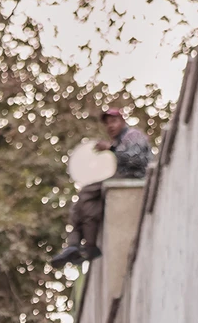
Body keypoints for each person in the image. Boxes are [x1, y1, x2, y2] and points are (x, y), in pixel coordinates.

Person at [52, 108, 154, 267]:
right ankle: (80, 246)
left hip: (135, 176)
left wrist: (111, 149)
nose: (110, 126)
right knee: (83, 206)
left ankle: (81, 245)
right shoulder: (118, 142)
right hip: (120, 178)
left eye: (113, 121)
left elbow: (136, 160)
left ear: (122, 121)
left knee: (86, 192)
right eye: (107, 124)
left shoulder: (132, 136)